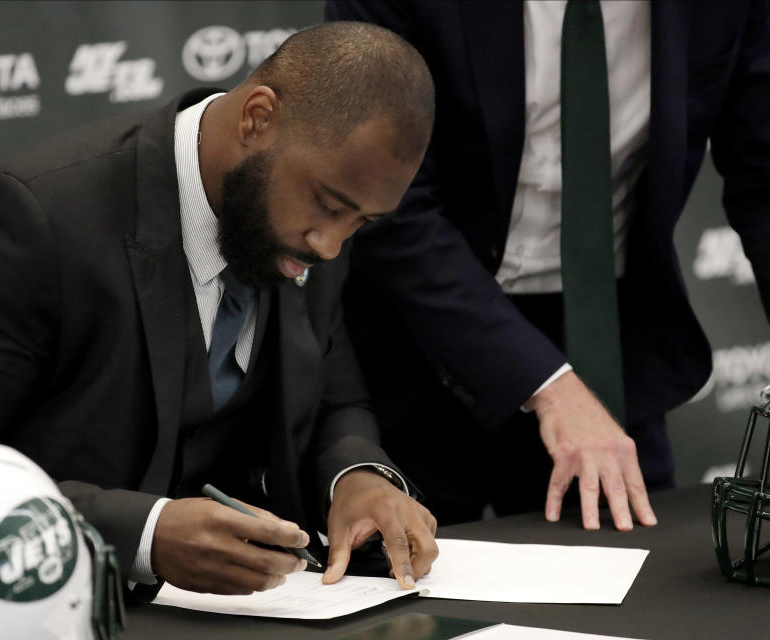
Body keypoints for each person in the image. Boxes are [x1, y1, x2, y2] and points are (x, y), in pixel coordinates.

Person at [0, 22, 439, 600]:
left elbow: (333, 398)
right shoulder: (34, 218)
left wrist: (358, 477)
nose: (331, 245)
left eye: (360, 222)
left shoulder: (309, 222)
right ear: (257, 118)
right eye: (328, 205)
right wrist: (143, 535)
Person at [325, 1, 770, 530]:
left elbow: (763, 175)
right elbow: (389, 209)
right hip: (415, 348)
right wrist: (550, 383)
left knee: (642, 589)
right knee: (403, 592)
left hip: (607, 347)